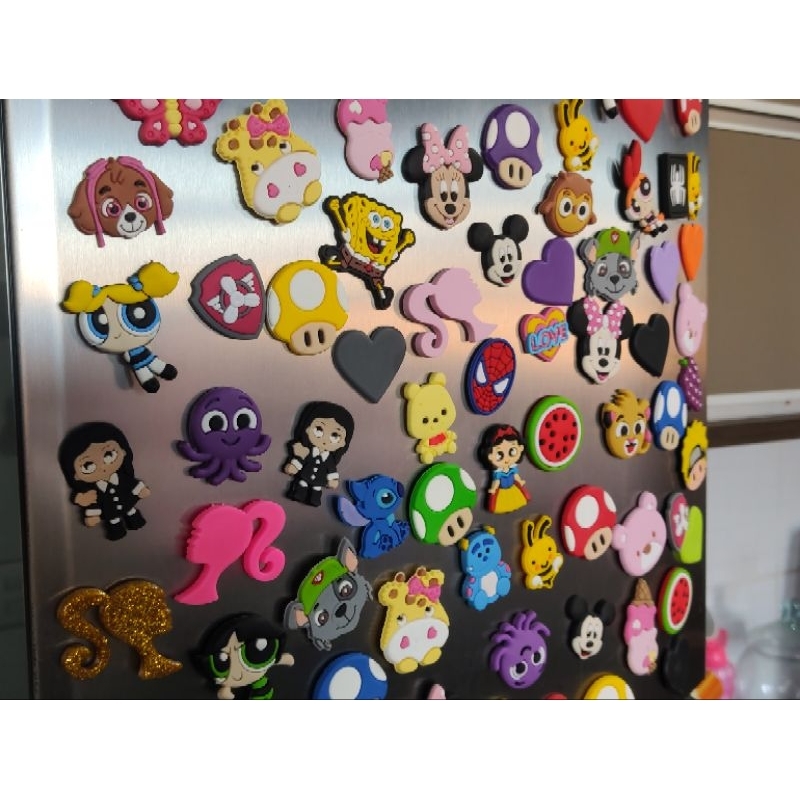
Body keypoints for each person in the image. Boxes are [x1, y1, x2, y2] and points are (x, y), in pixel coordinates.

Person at [478, 424, 530, 514]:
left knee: (515, 499)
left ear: (520, 448)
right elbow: (496, 481)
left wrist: (520, 481)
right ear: (490, 456)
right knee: (502, 503)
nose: (507, 459)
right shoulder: (498, 472)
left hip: (513, 487)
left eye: (512, 451)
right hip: (502, 490)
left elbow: (516, 476)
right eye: (499, 454)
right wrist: (493, 488)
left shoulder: (512, 468)